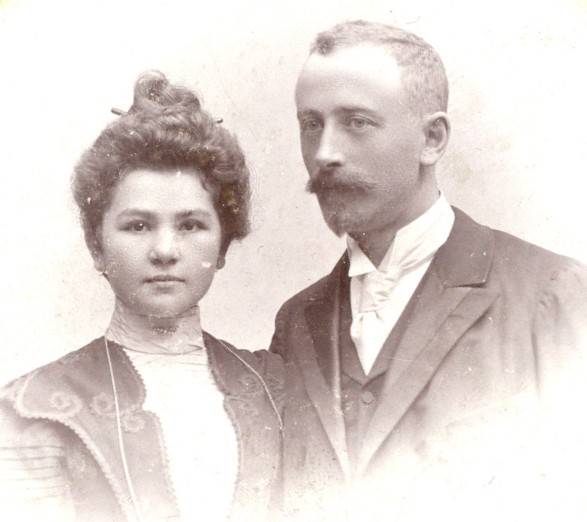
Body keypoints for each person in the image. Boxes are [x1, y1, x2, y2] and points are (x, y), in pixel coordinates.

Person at [270, 20, 587, 521]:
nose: (325, 153)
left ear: (432, 139)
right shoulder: (296, 323)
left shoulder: (551, 294)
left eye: (356, 122)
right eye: (311, 124)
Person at [0, 71, 283, 521]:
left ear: (223, 246)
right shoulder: (31, 408)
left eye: (191, 225)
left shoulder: (276, 388)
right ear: (97, 247)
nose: (165, 251)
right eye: (137, 225)